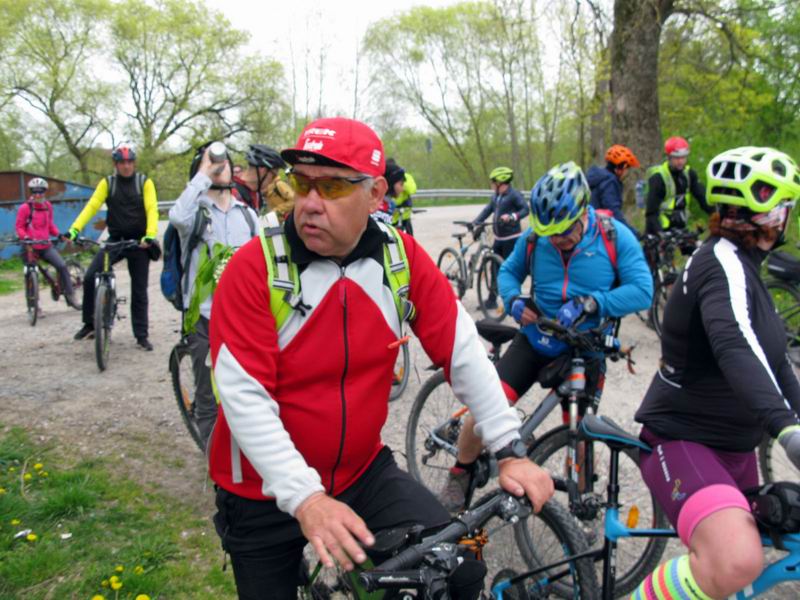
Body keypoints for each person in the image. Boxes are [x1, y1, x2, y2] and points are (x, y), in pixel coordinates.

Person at [207, 117, 554, 599]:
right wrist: (307, 499)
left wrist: (510, 450)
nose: (309, 202)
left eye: (330, 186)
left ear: (375, 195)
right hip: (261, 490)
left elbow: (463, 349)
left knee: (458, 574)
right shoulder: (255, 269)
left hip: (359, 472)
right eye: (302, 183)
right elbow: (244, 397)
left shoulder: (400, 259)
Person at [632, 147, 800, 600]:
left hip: (735, 449)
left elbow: (777, 364)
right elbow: (735, 347)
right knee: (735, 560)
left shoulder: (747, 270)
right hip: (683, 440)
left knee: (740, 578)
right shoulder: (720, 264)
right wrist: (786, 429)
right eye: (787, 208)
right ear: (775, 215)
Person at [439, 161, 652, 512]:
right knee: (486, 408)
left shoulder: (614, 237)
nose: (557, 239)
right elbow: (508, 273)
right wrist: (514, 299)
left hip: (586, 348)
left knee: (581, 430)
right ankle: (460, 473)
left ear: (584, 211)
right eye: (550, 231)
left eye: (564, 232)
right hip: (536, 339)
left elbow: (643, 291)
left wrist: (595, 302)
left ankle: (580, 499)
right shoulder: (537, 237)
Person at [168, 142, 258, 450]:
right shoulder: (194, 213)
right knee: (207, 396)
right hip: (204, 318)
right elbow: (176, 217)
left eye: (225, 163)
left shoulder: (247, 215)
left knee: (248, 390)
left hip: (243, 319)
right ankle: (215, 463)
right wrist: (204, 173)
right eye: (212, 164)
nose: (222, 166)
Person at [67, 143, 158, 350]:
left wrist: (150, 235)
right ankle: (90, 324)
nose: (126, 166)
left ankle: (141, 336)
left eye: (129, 162)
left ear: (133, 163)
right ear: (115, 164)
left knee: (139, 290)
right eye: (122, 162)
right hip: (115, 240)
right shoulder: (108, 183)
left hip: (139, 243)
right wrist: (74, 229)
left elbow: (152, 209)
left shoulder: (145, 182)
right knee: (91, 276)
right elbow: (91, 207)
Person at [15, 177, 79, 309]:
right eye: (35, 192)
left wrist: (59, 235)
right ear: (31, 193)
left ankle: (71, 295)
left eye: (41, 192)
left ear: (45, 192)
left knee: (61, 266)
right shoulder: (25, 208)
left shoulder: (47, 207)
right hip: (30, 246)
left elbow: (50, 226)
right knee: (30, 273)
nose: (38, 195)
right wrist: (25, 237)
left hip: (45, 245)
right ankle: (33, 306)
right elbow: (19, 227)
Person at [471, 166, 530, 309]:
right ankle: (492, 300)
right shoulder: (496, 197)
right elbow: (487, 210)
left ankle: (513, 300)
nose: (491, 185)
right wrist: (475, 222)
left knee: (511, 271)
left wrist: (512, 216)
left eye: (493, 182)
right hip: (499, 239)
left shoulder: (514, 195)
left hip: (512, 239)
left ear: (500, 182)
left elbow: (525, 209)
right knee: (494, 269)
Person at [644, 136, 712, 237]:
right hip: (659, 229)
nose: (680, 161)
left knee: (696, 251)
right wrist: (660, 234)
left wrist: (717, 215)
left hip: (680, 228)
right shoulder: (658, 178)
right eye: (676, 158)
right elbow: (651, 212)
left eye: (683, 157)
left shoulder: (689, 174)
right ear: (669, 157)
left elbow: (703, 198)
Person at [587, 144, 641, 236]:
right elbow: (613, 213)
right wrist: (633, 233)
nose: (627, 173)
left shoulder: (598, 177)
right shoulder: (610, 182)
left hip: (589, 227)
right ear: (622, 167)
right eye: (627, 168)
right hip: (596, 232)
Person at [233, 144, 294, 217]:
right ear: (262, 170)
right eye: (273, 176)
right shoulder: (232, 194)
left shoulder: (256, 194)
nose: (272, 181)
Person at [387, 158, 417, 235]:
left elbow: (412, 189)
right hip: (392, 217)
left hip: (404, 215)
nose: (402, 188)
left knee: (409, 236)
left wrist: (401, 182)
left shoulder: (405, 176)